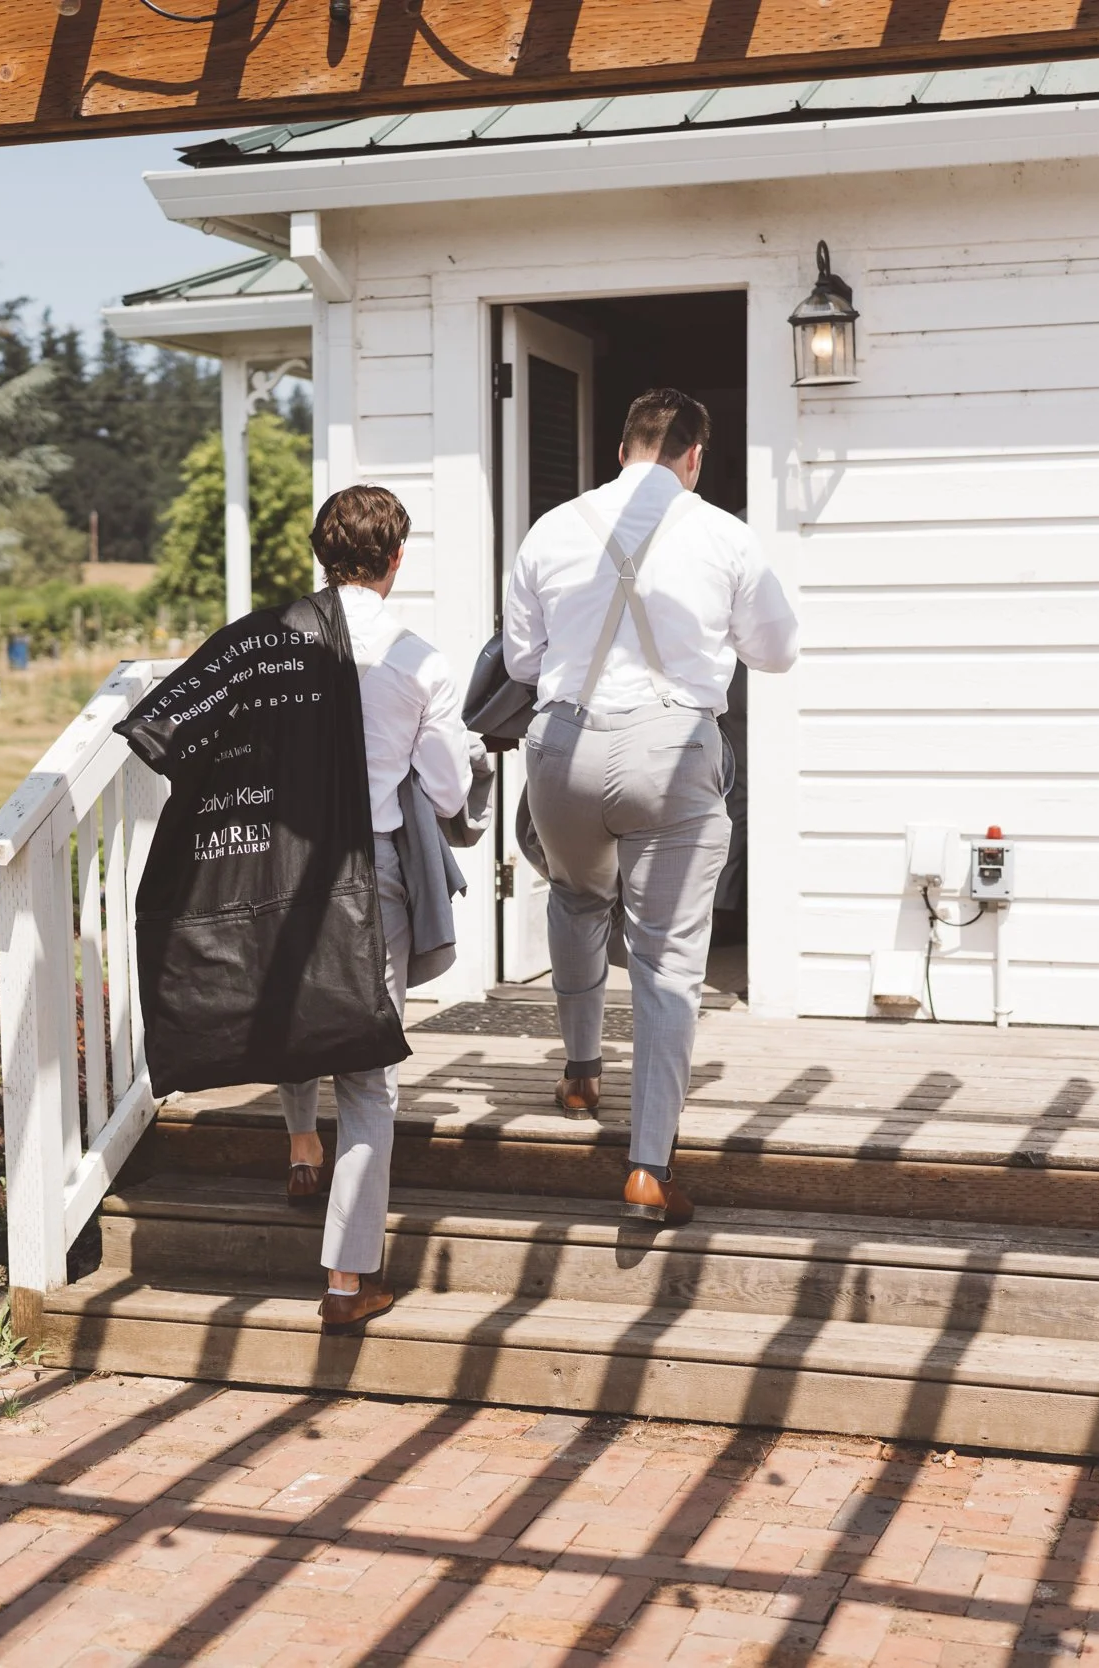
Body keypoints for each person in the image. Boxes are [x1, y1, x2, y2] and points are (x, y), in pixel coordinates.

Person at [502, 387, 799, 1226]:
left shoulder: (553, 528)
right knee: (668, 961)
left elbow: (523, 658)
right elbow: (777, 652)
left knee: (575, 896)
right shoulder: (723, 533)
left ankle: (582, 1071)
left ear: (624, 446)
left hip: (561, 744)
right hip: (671, 747)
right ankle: (647, 1165)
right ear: (694, 456)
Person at [276, 484, 473, 1333]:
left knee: (293, 1008)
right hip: (370, 869)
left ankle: (297, 1138)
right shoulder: (420, 659)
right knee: (367, 1075)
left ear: (322, 556)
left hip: (282, 865)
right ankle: (347, 1283)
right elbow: (449, 784)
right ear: (396, 560)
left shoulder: (276, 641)